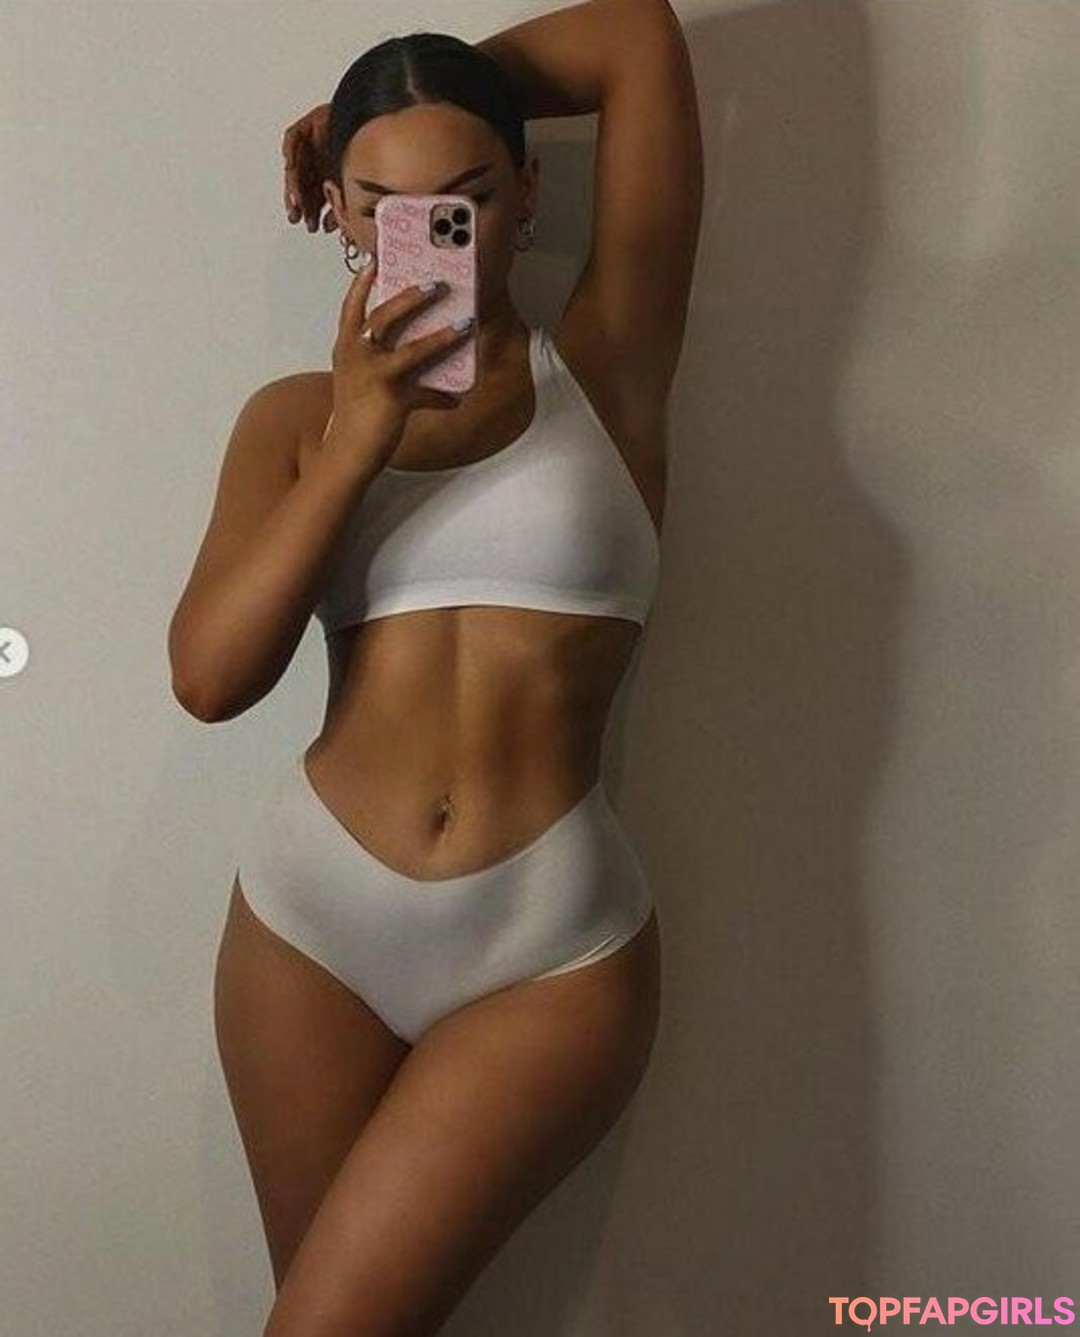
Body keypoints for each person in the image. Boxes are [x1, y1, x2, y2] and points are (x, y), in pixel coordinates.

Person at [168, 2, 702, 1332]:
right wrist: (360, 437)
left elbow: (637, 37)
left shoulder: (610, 365)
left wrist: (384, 97)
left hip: (548, 950)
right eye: (386, 206)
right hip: (309, 932)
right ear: (344, 220)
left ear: (526, 194)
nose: (430, 235)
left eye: (464, 199)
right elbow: (210, 679)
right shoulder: (294, 422)